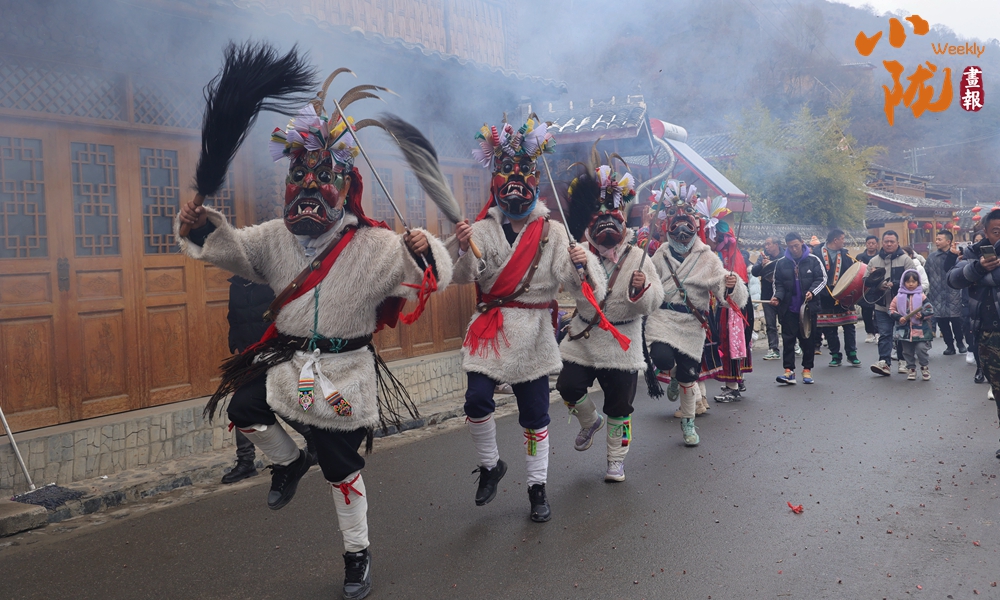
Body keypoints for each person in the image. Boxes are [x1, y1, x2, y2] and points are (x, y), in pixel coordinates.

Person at [177, 63, 454, 600]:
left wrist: (424, 250)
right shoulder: (274, 237)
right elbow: (233, 248)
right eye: (298, 176)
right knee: (244, 408)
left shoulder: (375, 245)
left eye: (322, 176)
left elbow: (426, 277)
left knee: (340, 469)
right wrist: (200, 224)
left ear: (347, 187)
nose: (308, 185)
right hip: (287, 362)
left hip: (343, 375)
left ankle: (357, 555)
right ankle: (288, 460)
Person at [453, 116, 607, 523]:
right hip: (491, 328)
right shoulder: (482, 229)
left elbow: (579, 286)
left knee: (535, 415)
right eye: (507, 172)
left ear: (536, 179)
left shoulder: (553, 231)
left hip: (535, 332)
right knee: (476, 400)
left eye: (524, 172)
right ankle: (490, 466)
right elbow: (463, 276)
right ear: (495, 180)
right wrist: (462, 248)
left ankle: (537, 487)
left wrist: (583, 262)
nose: (516, 182)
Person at [556, 158, 663, 482]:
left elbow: (655, 300)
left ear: (623, 220)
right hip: (585, 336)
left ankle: (616, 460)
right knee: (567, 385)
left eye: (612, 215)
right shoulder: (579, 251)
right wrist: (574, 266)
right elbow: (568, 285)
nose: (606, 222)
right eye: (598, 216)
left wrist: (640, 290)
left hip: (621, 342)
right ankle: (590, 421)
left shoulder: (638, 257)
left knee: (619, 405)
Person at [645, 181, 747, 445]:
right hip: (663, 318)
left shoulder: (708, 257)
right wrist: (639, 286)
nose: (681, 230)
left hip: (692, 321)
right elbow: (649, 284)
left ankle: (689, 424)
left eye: (687, 224)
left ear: (695, 226)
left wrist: (730, 285)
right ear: (668, 226)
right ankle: (672, 374)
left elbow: (724, 287)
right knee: (662, 358)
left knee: (690, 375)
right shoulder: (659, 256)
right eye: (675, 223)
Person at [221, 275, 316, 484]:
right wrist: (235, 345)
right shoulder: (235, 285)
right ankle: (245, 461)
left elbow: (287, 313)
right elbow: (233, 318)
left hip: (272, 352)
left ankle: (312, 438)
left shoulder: (270, 282)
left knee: (276, 399)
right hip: (247, 354)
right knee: (242, 406)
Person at [945, 210, 1000, 459]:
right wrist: (978, 268)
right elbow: (953, 279)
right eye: (996, 231)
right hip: (988, 333)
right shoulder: (972, 255)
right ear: (985, 232)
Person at [771, 232, 827, 384]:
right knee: (788, 340)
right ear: (787, 246)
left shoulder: (813, 260)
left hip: (808, 308)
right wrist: (777, 297)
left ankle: (807, 370)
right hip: (788, 308)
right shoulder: (781, 263)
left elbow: (822, 279)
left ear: (802, 242)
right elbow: (778, 283)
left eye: (796, 245)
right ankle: (789, 371)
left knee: (808, 340)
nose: (794, 249)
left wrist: (812, 292)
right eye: (791, 247)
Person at [867, 231, 921, 376]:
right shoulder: (874, 261)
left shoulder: (906, 260)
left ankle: (903, 361)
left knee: (901, 334)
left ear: (897, 243)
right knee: (884, 334)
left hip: (902, 307)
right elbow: (866, 283)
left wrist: (894, 284)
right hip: (881, 305)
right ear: (882, 243)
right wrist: (875, 280)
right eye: (886, 241)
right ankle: (884, 362)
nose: (889, 244)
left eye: (892, 241)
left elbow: (913, 280)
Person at [816, 229, 860, 367]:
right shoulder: (817, 255)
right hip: (825, 296)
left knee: (849, 326)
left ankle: (852, 354)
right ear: (835, 240)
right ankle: (835, 355)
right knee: (829, 327)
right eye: (842, 239)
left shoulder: (845, 255)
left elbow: (852, 273)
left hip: (844, 294)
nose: (844, 242)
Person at [925, 230, 967, 356]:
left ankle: (960, 342)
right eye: (936, 239)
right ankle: (949, 346)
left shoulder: (957, 256)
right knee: (942, 322)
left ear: (948, 241)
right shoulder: (931, 257)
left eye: (940, 239)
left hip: (954, 292)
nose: (937, 242)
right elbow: (926, 274)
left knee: (956, 320)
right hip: (937, 294)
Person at [890, 270, 934, 381]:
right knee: (907, 352)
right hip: (904, 331)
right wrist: (899, 317)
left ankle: (924, 367)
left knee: (921, 349)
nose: (910, 284)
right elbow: (891, 310)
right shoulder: (898, 297)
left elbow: (930, 310)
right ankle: (911, 369)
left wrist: (922, 315)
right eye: (908, 282)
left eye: (913, 282)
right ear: (903, 282)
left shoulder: (922, 296)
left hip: (920, 330)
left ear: (918, 282)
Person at [752, 237, 782, 360]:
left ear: (776, 244)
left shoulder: (785, 255)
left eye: (769, 244)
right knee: (770, 324)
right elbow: (754, 272)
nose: (766, 247)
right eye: (765, 244)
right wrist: (762, 265)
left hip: (783, 294)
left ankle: (794, 344)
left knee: (787, 322)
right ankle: (773, 349)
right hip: (767, 295)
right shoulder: (763, 257)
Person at [856, 235, 880, 343]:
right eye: (869, 243)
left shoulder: (880, 257)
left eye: (873, 243)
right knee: (866, 312)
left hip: (877, 287)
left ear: (877, 245)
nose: (871, 245)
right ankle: (869, 332)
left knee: (878, 311)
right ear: (866, 244)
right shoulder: (860, 257)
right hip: (864, 287)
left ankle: (878, 332)